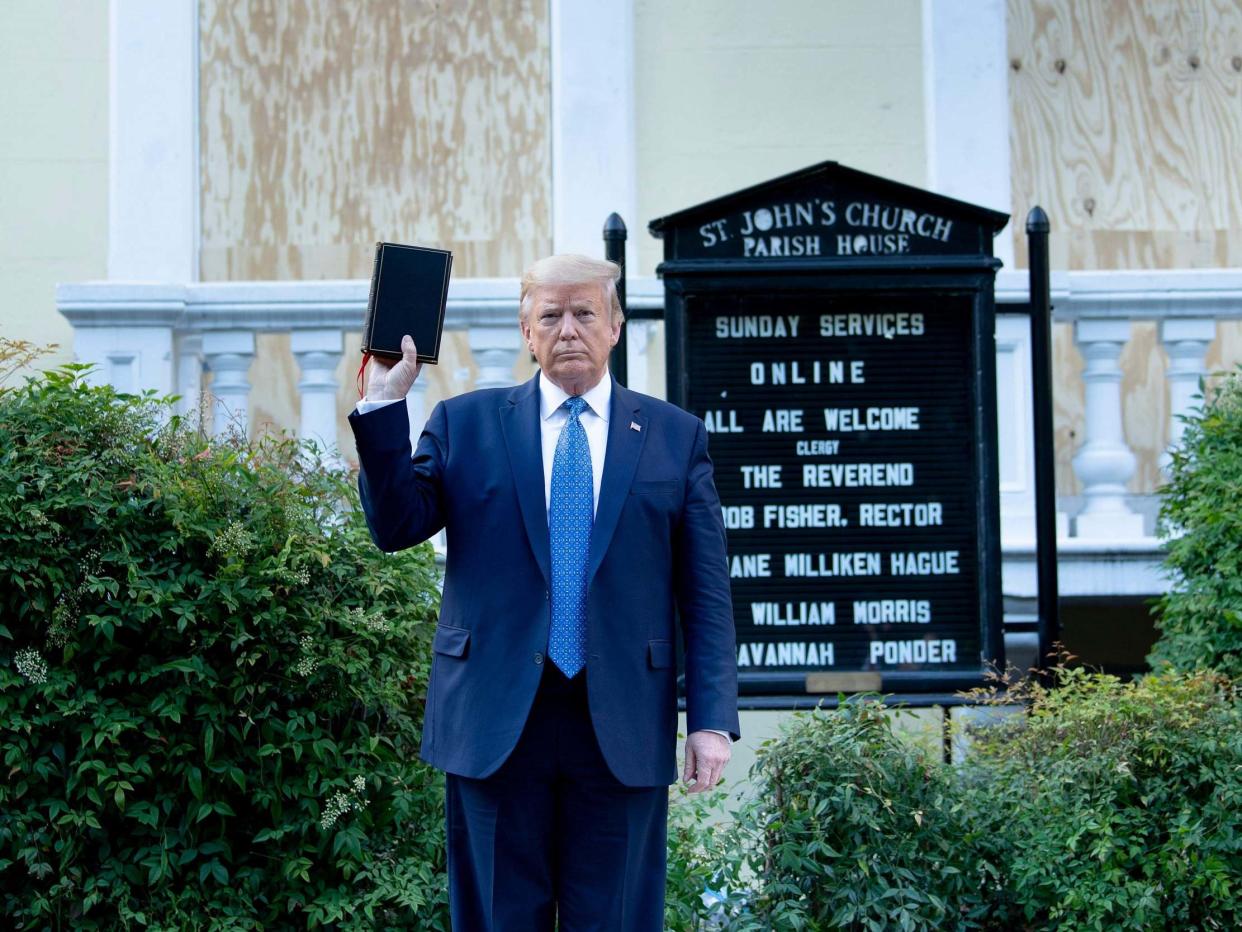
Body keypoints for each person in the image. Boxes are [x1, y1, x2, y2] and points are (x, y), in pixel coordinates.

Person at [348, 254, 739, 930]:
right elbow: (395, 526)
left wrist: (709, 719)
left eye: (585, 313)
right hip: (495, 723)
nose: (568, 330)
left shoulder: (676, 438)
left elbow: (705, 595)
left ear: (615, 325)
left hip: (621, 724)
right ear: (527, 332)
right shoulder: (465, 425)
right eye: (550, 315)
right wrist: (386, 407)